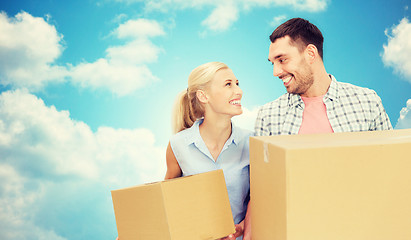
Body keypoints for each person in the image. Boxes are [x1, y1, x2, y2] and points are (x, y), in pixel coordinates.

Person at [255, 17, 392, 136]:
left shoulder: (367, 102)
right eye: (273, 63)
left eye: (282, 60)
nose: (276, 72)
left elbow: (391, 158)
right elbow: (263, 166)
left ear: (310, 53)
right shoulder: (268, 116)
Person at [165, 62, 252, 240]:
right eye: (228, 84)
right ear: (203, 96)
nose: (238, 91)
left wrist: (241, 228)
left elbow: (262, 198)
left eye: (237, 83)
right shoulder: (177, 145)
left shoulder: (253, 142)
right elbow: (167, 202)